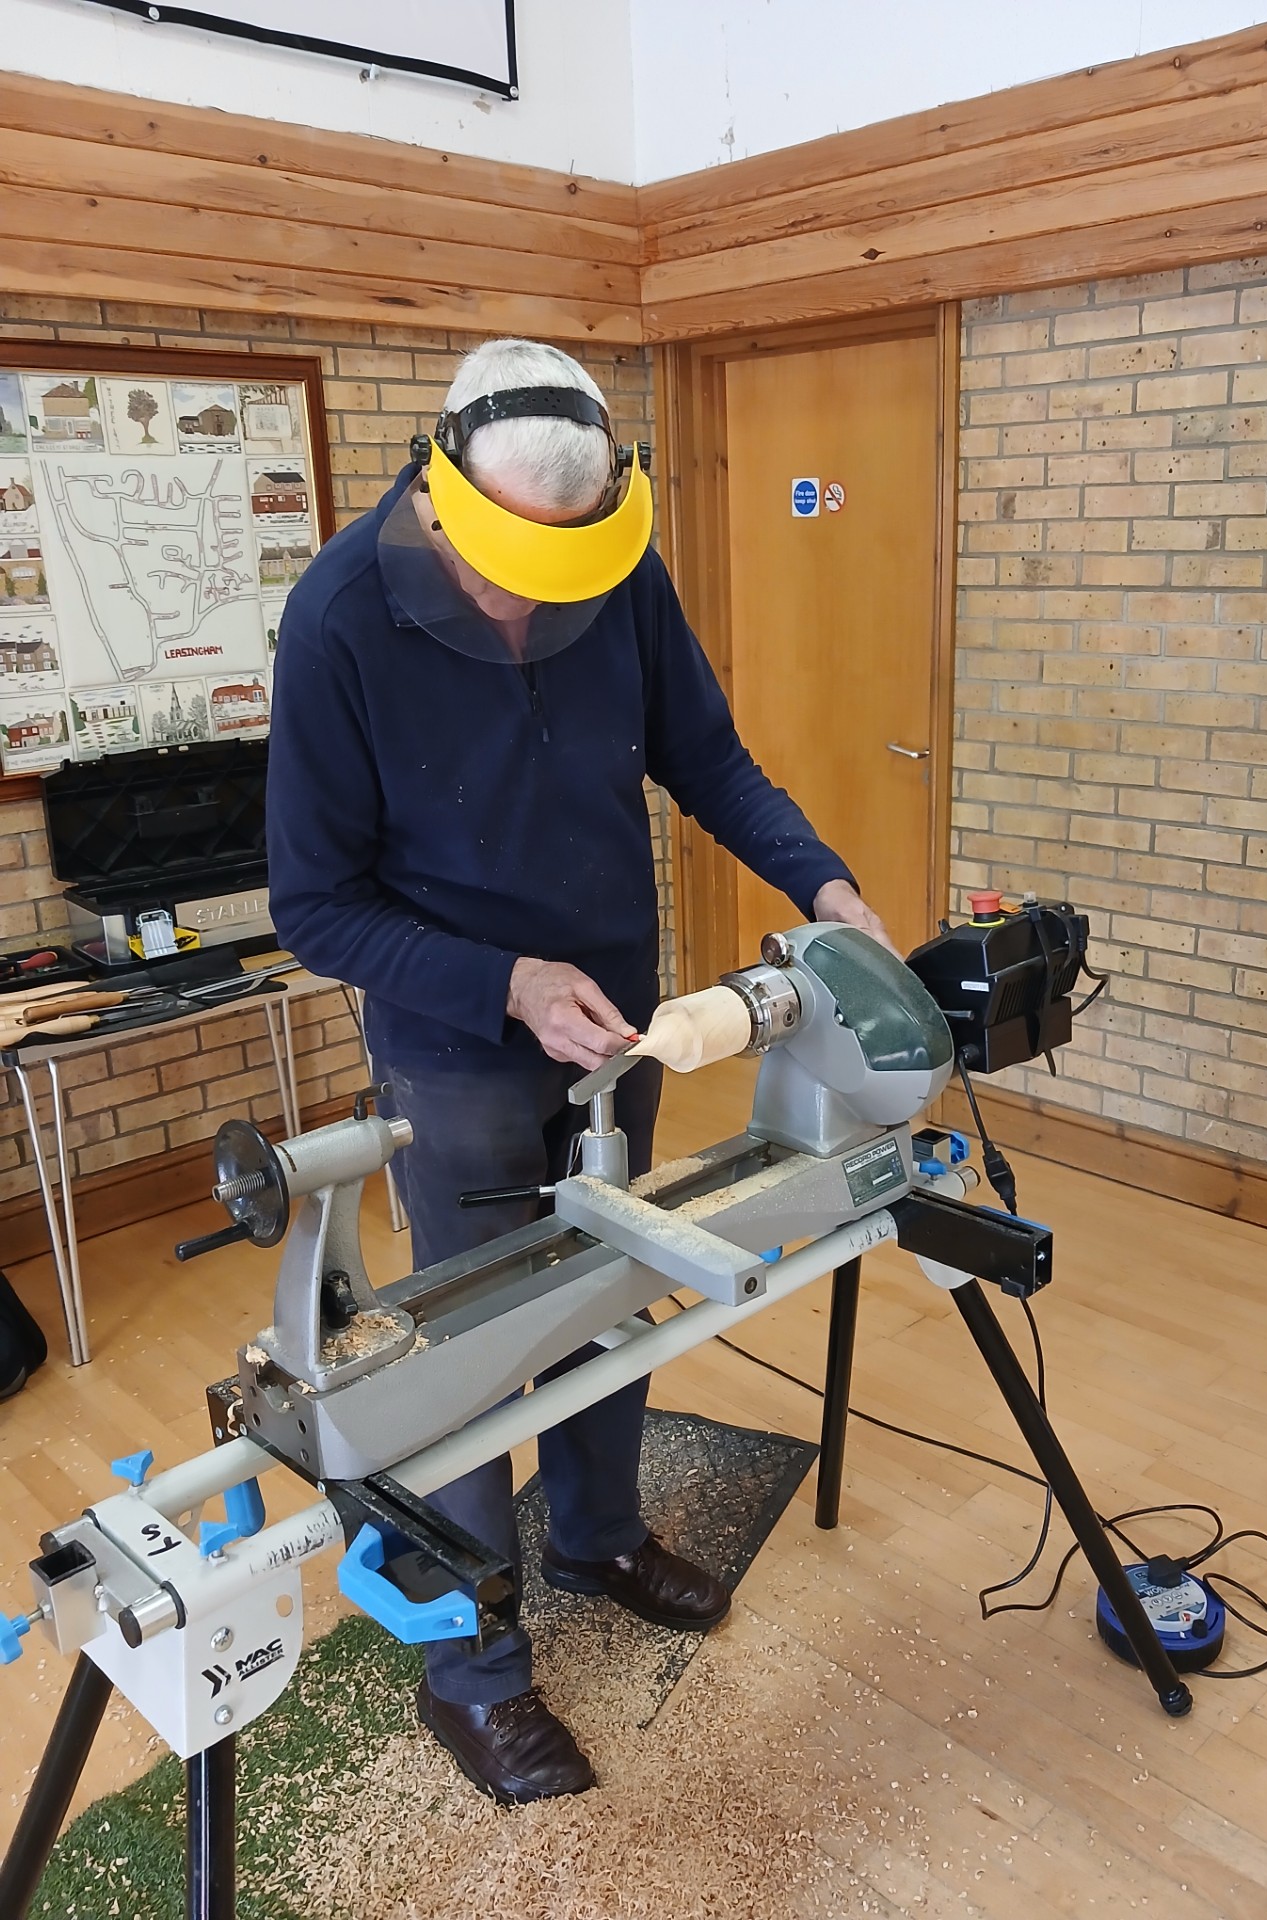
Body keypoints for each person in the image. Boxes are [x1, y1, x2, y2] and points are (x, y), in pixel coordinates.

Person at [266, 337, 892, 1805]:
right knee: (471, 1345)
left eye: (567, 573)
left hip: (619, 1015)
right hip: (455, 1040)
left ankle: (598, 1536)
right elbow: (315, 906)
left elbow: (709, 760)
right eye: (510, 576)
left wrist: (826, 886)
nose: (536, 607)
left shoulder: (619, 567)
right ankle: (475, 1669)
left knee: (614, 1283)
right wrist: (506, 983)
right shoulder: (339, 617)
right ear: (440, 489)